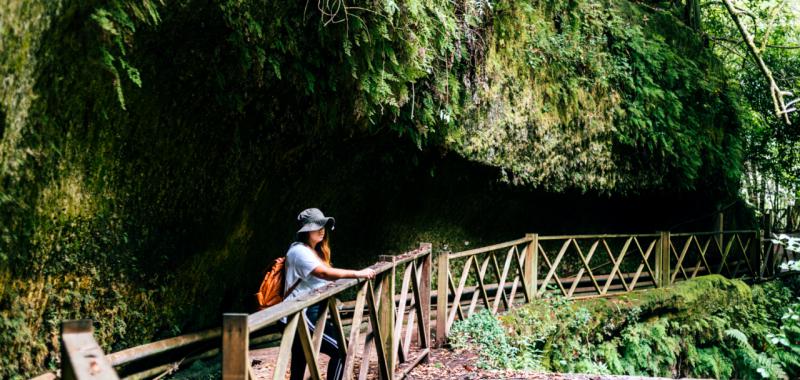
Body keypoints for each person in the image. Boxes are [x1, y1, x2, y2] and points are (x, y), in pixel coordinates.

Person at [284, 208, 375, 380]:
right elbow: (324, 274)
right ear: (306, 230)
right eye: (317, 226)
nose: (322, 229)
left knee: (300, 361)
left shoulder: (311, 250)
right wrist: (358, 273)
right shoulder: (299, 252)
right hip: (300, 315)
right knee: (343, 350)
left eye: (323, 225)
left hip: (303, 313)